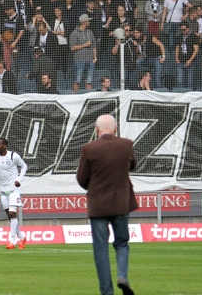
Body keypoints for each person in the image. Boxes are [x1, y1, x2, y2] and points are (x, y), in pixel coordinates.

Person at [77, 115, 137, 295]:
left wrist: (94, 187)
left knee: (101, 249)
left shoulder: (89, 148)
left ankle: (106, 291)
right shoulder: (126, 145)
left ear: (96, 130)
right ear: (116, 129)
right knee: (122, 243)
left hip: (98, 205)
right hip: (121, 202)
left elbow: (81, 178)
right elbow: (132, 166)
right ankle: (122, 276)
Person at [0, 138, 28, 250]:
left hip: (14, 190)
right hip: (3, 191)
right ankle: (22, 237)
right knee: (10, 216)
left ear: (5, 146)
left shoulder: (14, 156)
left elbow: (24, 166)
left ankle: (12, 242)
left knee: (13, 214)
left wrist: (19, 179)